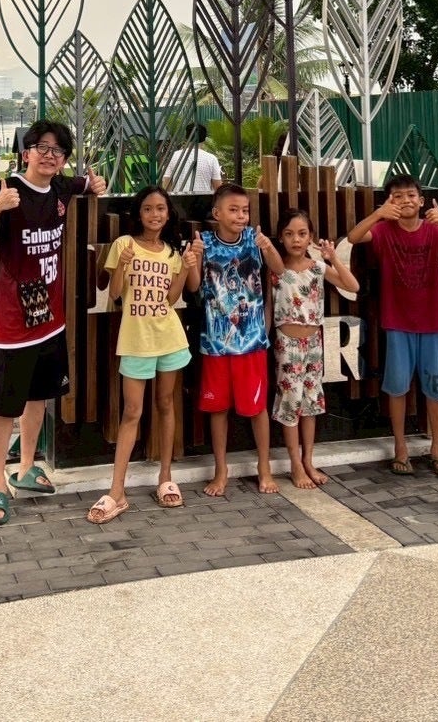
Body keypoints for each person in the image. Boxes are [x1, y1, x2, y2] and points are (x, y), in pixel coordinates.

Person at [0, 120, 106, 526]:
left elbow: (87, 183)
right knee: (3, 407)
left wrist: (94, 185)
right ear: (26, 152)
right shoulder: (8, 189)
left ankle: (28, 466)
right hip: (12, 324)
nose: (49, 155)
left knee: (39, 397)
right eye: (41, 148)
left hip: (50, 318)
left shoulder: (61, 186)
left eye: (57, 150)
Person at [86, 186, 198, 524]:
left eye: (160, 208)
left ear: (168, 213)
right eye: (148, 208)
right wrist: (121, 266)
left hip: (170, 338)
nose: (155, 214)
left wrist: (186, 267)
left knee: (166, 404)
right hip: (136, 340)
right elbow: (115, 294)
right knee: (131, 412)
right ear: (139, 213)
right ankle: (116, 491)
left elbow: (172, 299)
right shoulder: (124, 244)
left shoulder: (172, 252)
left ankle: (166, 477)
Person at [347, 174, 438, 476]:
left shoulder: (433, 230)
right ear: (389, 201)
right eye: (397, 196)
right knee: (397, 388)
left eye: (411, 195)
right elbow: (354, 237)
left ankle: (437, 448)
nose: (405, 201)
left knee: (436, 389)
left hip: (432, 322)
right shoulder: (383, 230)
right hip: (397, 322)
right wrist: (378, 214)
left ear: (421, 200)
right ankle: (400, 447)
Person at [186, 182, 284, 496]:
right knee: (218, 409)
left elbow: (280, 270)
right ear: (217, 213)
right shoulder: (204, 242)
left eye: (245, 210)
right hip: (216, 343)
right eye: (233, 210)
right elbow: (193, 287)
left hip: (252, 341)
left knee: (257, 409)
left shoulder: (255, 240)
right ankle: (220, 469)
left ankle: (264, 467)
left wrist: (268, 247)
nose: (241, 216)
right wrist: (193, 261)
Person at [270, 209, 358, 489]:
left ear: (311, 237)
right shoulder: (276, 270)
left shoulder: (317, 268)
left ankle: (308, 459)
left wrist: (332, 259)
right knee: (290, 403)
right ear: (281, 237)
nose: (296, 239)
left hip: (314, 344)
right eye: (289, 234)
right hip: (287, 345)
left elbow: (352, 285)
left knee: (310, 404)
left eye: (302, 234)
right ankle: (295, 464)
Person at [162, 123, 223, 196]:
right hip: (204, 200)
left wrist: (171, 198)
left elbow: (166, 181)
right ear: (204, 139)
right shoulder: (211, 159)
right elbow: (218, 187)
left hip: (179, 199)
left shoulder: (175, 156)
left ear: (186, 137)